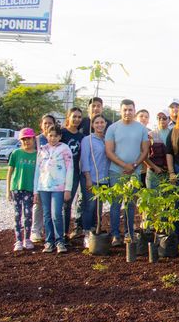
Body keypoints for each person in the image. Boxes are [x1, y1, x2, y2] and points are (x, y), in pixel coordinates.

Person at [105, 99, 150, 246]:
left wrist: (135, 165)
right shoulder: (112, 128)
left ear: (134, 111)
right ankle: (115, 235)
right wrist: (124, 165)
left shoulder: (141, 129)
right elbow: (109, 151)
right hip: (116, 171)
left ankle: (129, 233)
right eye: (125, 110)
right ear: (120, 111)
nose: (127, 112)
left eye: (130, 110)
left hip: (134, 173)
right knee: (116, 204)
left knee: (131, 204)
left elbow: (145, 150)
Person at [34, 125, 74, 254]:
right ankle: (49, 241)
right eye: (50, 135)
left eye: (56, 136)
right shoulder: (42, 149)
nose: (53, 138)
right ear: (46, 135)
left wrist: (68, 189)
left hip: (59, 187)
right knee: (47, 215)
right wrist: (36, 191)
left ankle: (60, 240)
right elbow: (37, 171)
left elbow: (70, 169)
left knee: (56, 214)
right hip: (44, 187)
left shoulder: (65, 149)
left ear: (60, 137)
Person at [80, 115, 110, 247]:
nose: (99, 125)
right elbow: (84, 159)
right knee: (89, 206)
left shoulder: (107, 140)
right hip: (91, 178)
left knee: (99, 207)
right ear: (93, 125)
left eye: (102, 122)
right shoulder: (88, 140)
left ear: (105, 124)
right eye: (96, 123)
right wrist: (87, 178)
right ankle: (87, 233)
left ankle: (95, 230)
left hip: (103, 179)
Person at [6, 128, 38, 251]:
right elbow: (10, 172)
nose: (26, 141)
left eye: (28, 138)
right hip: (16, 188)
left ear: (33, 139)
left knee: (28, 214)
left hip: (29, 189)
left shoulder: (37, 154)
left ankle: (27, 238)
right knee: (17, 214)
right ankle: (18, 240)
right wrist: (8, 190)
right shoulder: (16, 153)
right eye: (24, 139)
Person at [31, 114, 57, 243]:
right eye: (45, 123)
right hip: (40, 177)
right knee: (38, 204)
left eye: (50, 123)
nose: (47, 125)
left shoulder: (56, 139)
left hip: (54, 179)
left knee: (52, 207)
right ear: (41, 125)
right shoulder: (37, 140)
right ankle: (36, 230)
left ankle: (52, 231)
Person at [61, 107, 85, 242]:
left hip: (74, 174)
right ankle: (56, 233)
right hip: (59, 173)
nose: (76, 119)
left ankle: (64, 233)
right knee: (57, 204)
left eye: (79, 117)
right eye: (74, 116)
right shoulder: (62, 133)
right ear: (68, 117)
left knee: (67, 204)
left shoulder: (81, 137)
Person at [144, 110, 170, 190]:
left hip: (168, 173)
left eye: (164, 118)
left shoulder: (173, 134)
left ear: (169, 119)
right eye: (159, 118)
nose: (161, 120)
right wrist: (155, 168)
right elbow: (144, 155)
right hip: (153, 172)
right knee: (153, 199)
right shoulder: (150, 135)